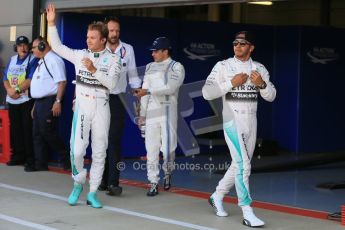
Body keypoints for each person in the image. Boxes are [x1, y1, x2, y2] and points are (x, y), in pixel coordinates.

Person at [46, 4, 121, 208]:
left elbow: (112, 84)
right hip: (82, 105)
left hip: (102, 106)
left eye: (92, 38)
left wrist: (94, 69)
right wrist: (51, 24)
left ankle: (93, 192)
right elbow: (59, 47)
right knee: (77, 151)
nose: (88, 40)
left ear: (103, 40)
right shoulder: (80, 55)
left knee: (100, 151)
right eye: (87, 37)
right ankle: (78, 181)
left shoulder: (114, 59)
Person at [202, 31, 276, 227]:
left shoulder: (259, 68)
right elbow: (206, 93)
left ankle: (217, 196)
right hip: (231, 121)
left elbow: (271, 96)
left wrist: (261, 84)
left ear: (251, 47)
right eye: (235, 43)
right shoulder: (223, 66)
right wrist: (231, 83)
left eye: (243, 43)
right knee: (244, 166)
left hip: (251, 122)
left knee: (238, 164)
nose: (238, 46)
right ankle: (247, 211)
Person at [135, 37, 185, 196]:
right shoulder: (149, 67)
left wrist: (148, 92)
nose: (153, 54)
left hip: (168, 111)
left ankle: (168, 173)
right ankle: (153, 182)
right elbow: (144, 91)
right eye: (153, 51)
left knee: (168, 149)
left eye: (156, 51)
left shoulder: (176, 67)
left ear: (166, 51)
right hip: (151, 112)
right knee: (151, 149)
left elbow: (170, 88)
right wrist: (142, 115)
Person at [98, 16, 142, 196]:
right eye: (111, 30)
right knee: (101, 140)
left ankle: (113, 183)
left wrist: (138, 97)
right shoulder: (99, 50)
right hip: (100, 98)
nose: (114, 33)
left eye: (117, 30)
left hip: (118, 99)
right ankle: (102, 180)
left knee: (114, 140)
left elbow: (133, 76)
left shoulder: (127, 49)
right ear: (105, 31)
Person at [30, 36, 70, 172]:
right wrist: (35, 105)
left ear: (42, 46)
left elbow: (62, 82)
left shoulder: (53, 60)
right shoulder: (42, 61)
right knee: (37, 133)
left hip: (50, 101)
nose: (32, 50)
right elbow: (42, 85)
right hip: (40, 102)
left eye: (34, 47)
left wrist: (57, 102)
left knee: (47, 132)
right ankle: (40, 164)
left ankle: (66, 158)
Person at [3, 35, 38, 171]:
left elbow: (30, 79)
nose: (22, 48)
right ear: (16, 47)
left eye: (24, 45)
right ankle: (18, 155)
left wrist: (16, 90)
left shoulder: (32, 60)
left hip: (25, 100)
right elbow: (5, 77)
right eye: (19, 46)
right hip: (12, 100)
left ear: (28, 46)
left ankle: (30, 159)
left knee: (27, 130)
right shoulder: (12, 60)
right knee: (15, 129)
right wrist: (9, 91)